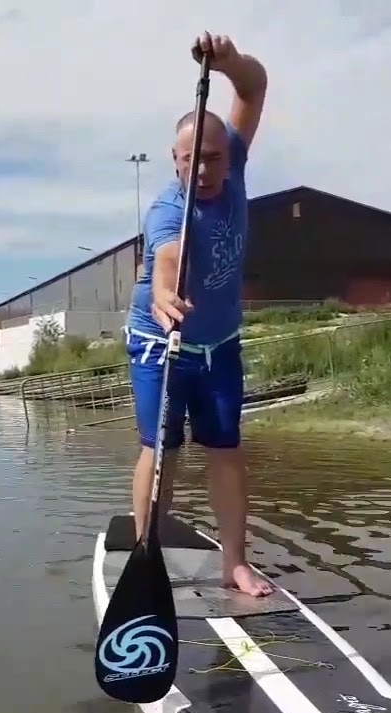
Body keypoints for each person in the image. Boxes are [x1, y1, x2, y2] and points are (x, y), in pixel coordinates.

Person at [124, 32, 272, 598]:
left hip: (219, 344)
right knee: (161, 447)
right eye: (192, 161)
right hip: (159, 342)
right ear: (175, 161)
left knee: (226, 449)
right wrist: (164, 291)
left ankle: (235, 561)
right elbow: (168, 255)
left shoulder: (234, 159)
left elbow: (254, 89)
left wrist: (230, 63)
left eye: (213, 158)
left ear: (229, 153)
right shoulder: (167, 208)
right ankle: (145, 552)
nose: (204, 172)